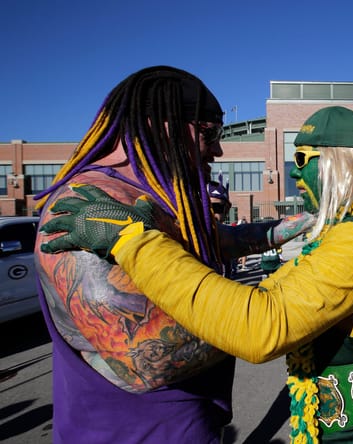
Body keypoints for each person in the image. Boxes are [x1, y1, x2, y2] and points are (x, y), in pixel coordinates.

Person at [40, 105, 353, 443]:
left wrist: (133, 240)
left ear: (336, 160)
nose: (297, 174)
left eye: (302, 159)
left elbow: (260, 327)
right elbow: (281, 292)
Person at [32, 66, 311, 443]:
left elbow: (219, 240)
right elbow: (147, 359)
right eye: (209, 133)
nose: (218, 149)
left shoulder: (152, 200)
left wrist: (312, 221)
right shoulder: (87, 206)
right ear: (160, 125)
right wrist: (300, 299)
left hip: (190, 423)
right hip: (130, 434)